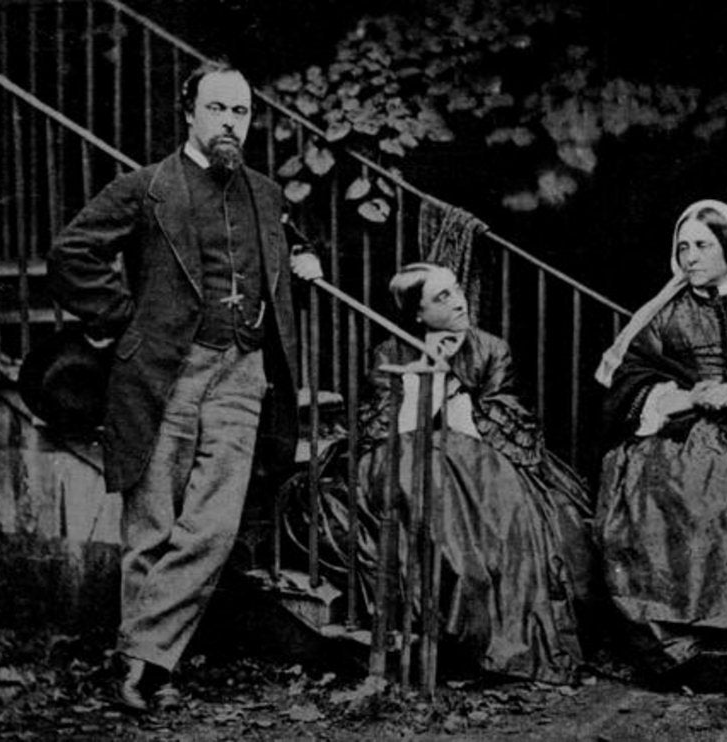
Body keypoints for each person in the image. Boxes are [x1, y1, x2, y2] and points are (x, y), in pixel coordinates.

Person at [48, 59, 322, 712]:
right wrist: (123, 321)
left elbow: (282, 254)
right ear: (190, 112)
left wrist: (304, 261)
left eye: (242, 112)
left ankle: (140, 655)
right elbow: (72, 253)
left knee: (212, 528)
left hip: (242, 369)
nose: (231, 122)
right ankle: (150, 672)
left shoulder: (266, 193)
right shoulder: (147, 188)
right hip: (166, 371)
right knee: (153, 524)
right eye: (219, 109)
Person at [294, 262, 596, 683]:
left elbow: (498, 425)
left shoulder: (491, 348)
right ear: (417, 315)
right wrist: (433, 376)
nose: (458, 302)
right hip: (414, 460)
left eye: (455, 290)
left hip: (483, 462)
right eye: (441, 298)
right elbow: (388, 431)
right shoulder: (391, 352)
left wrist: (458, 400)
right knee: (421, 475)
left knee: (492, 492)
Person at [594, 200, 727, 689]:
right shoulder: (662, 315)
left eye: (703, 245)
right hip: (680, 428)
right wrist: (688, 395)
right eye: (683, 246)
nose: (690, 256)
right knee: (671, 489)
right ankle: (682, 645)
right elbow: (631, 377)